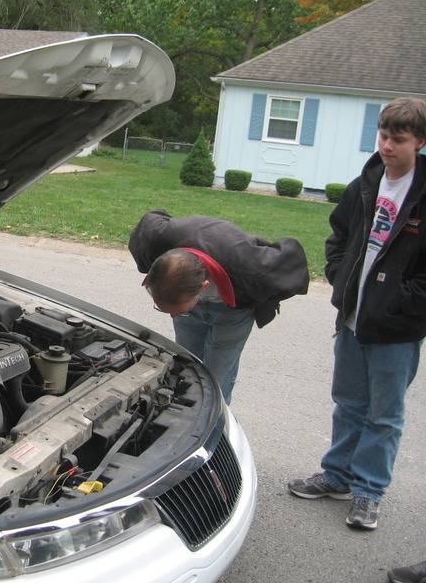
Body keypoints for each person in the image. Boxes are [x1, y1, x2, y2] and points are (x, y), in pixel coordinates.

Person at [288, 97, 426, 531]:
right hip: (351, 319)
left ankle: (369, 491)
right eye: (383, 136)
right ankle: (338, 476)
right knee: (348, 404)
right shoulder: (364, 184)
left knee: (384, 415)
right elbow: (338, 235)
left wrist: (400, 302)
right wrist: (338, 274)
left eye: (398, 139)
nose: (387, 146)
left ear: (420, 143)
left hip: (396, 329)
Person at [129, 209, 309, 403]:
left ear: (203, 287)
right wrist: (180, 310)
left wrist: (260, 299)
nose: (172, 317)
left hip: (234, 310)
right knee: (187, 366)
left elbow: (293, 265)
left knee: (217, 381)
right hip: (197, 286)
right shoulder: (155, 241)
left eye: (177, 311)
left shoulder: (252, 268)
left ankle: (216, 418)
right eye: (167, 311)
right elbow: (151, 218)